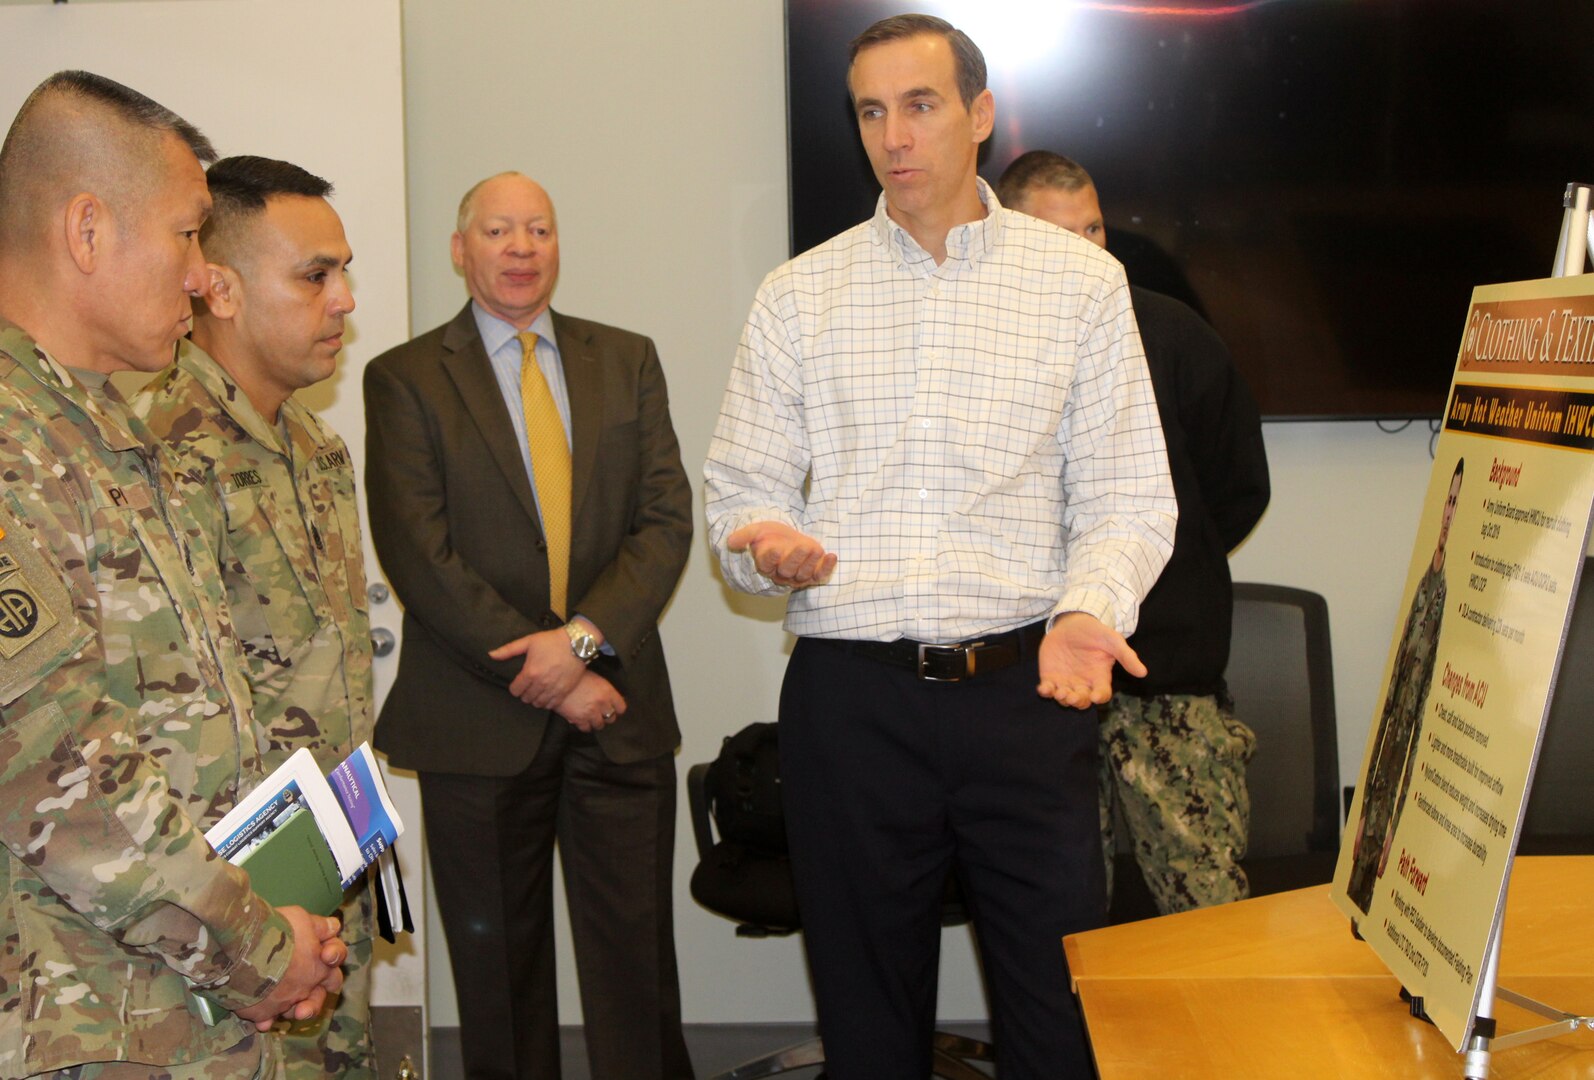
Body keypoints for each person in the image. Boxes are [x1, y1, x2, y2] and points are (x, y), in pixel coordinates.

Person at [703, 16, 1177, 1079]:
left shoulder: (1079, 286)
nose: (892, 136)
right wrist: (759, 544)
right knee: (869, 1036)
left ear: (978, 114)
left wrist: (1086, 610)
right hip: (850, 704)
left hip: (1025, 697)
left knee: (1056, 1026)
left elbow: (1127, 496)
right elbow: (738, 496)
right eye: (870, 111)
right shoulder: (798, 296)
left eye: (918, 105)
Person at [0, 71, 345, 1078]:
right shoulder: (14, 447)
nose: (203, 276)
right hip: (79, 1022)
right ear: (88, 230)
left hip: (174, 1005)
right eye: (189, 233)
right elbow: (64, 783)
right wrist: (261, 949)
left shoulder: (98, 428)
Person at [364, 172, 694, 1080]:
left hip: (618, 717)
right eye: (499, 230)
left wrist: (583, 644)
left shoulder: (625, 359)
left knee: (637, 971)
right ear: (460, 250)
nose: (520, 248)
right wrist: (551, 670)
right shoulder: (403, 379)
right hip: (478, 722)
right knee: (499, 984)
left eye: (539, 230)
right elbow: (419, 555)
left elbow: (666, 522)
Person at [134, 155, 376, 1078]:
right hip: (222, 909)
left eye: (344, 270)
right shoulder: (154, 453)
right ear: (220, 290)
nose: (344, 299)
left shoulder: (317, 447)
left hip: (328, 865)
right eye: (315, 275)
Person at [996, 150, 1271, 915]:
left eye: (1096, 230)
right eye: (1062, 237)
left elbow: (1236, 489)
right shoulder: (982, 352)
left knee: (1206, 912)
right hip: (1034, 686)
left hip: (1167, 682)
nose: (1089, 255)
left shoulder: (1174, 334)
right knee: (1057, 921)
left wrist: (1162, 573)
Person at [1347, 457, 1463, 914]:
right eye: (1447, 500)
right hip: (1379, 782)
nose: (1449, 511)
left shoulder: (1448, 594)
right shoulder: (1423, 585)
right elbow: (1392, 700)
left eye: (1457, 501)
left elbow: (1422, 721)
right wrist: (1362, 815)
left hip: (1401, 789)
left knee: (1379, 901)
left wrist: (1396, 821)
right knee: (1359, 901)